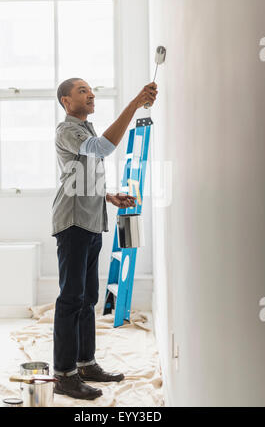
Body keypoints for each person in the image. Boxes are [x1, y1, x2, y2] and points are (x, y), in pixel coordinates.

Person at [52, 78, 158, 400]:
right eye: (82, 91)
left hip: (92, 221)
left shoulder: (86, 129)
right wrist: (135, 103)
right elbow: (104, 149)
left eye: (91, 90)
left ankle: (85, 363)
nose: (91, 94)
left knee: (88, 299)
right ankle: (64, 375)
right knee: (71, 298)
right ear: (67, 101)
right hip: (72, 223)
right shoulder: (67, 130)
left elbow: (85, 172)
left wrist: (108, 196)